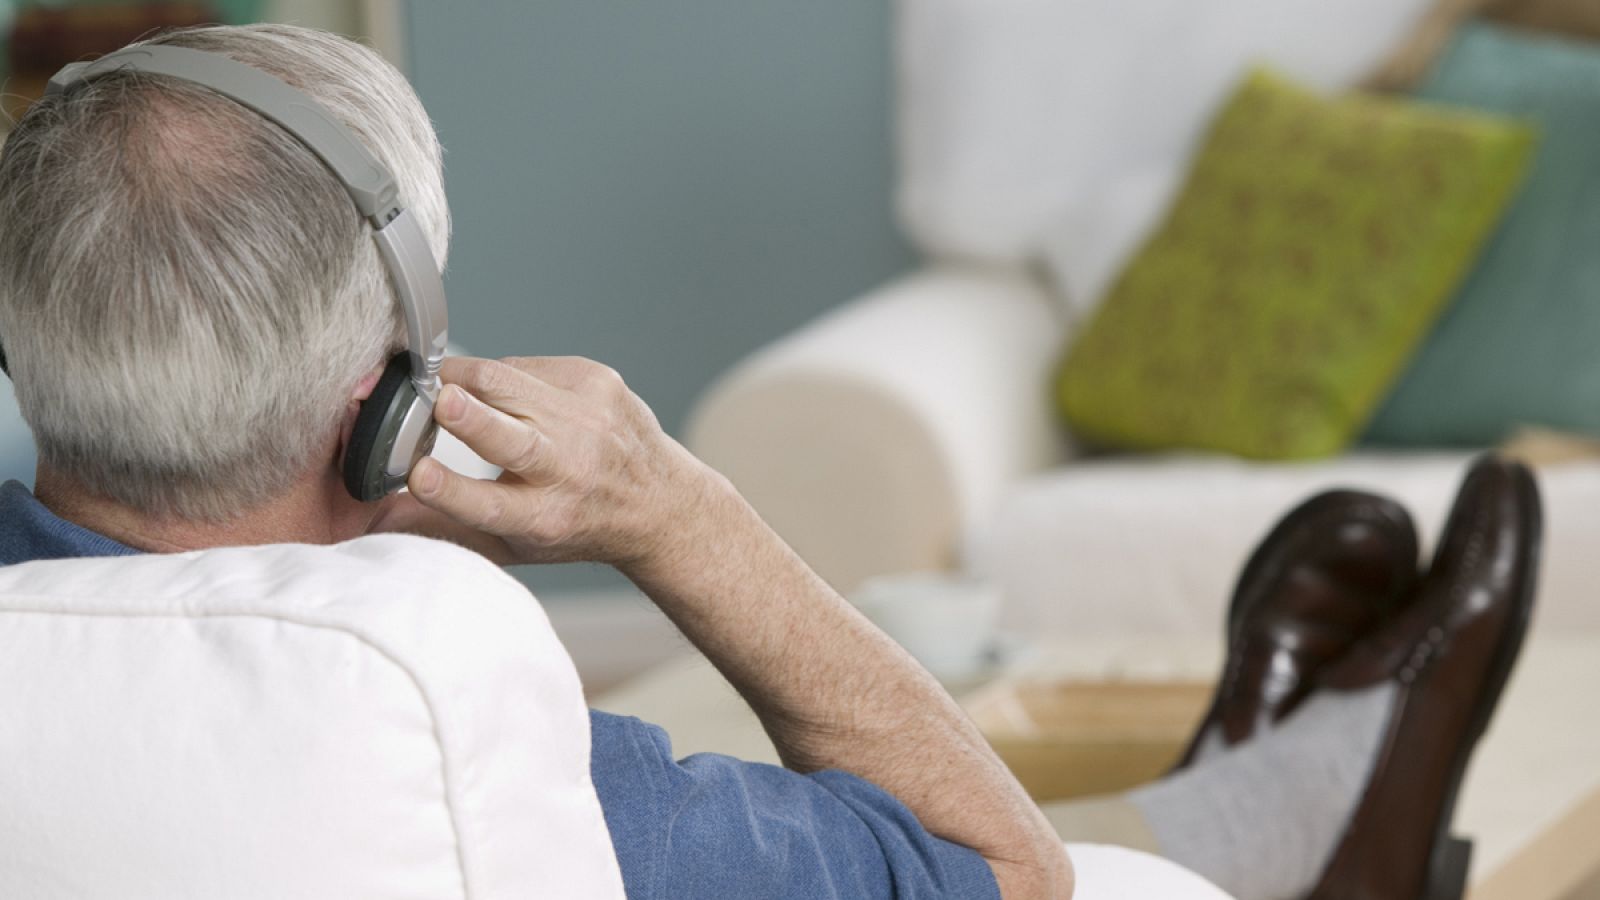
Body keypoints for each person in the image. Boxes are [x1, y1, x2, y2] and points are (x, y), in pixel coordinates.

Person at [0, 24, 1540, 900]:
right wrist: (680, 514)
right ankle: (1320, 810)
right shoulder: (461, 737)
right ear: (390, 397)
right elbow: (1002, 875)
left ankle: (1261, 778)